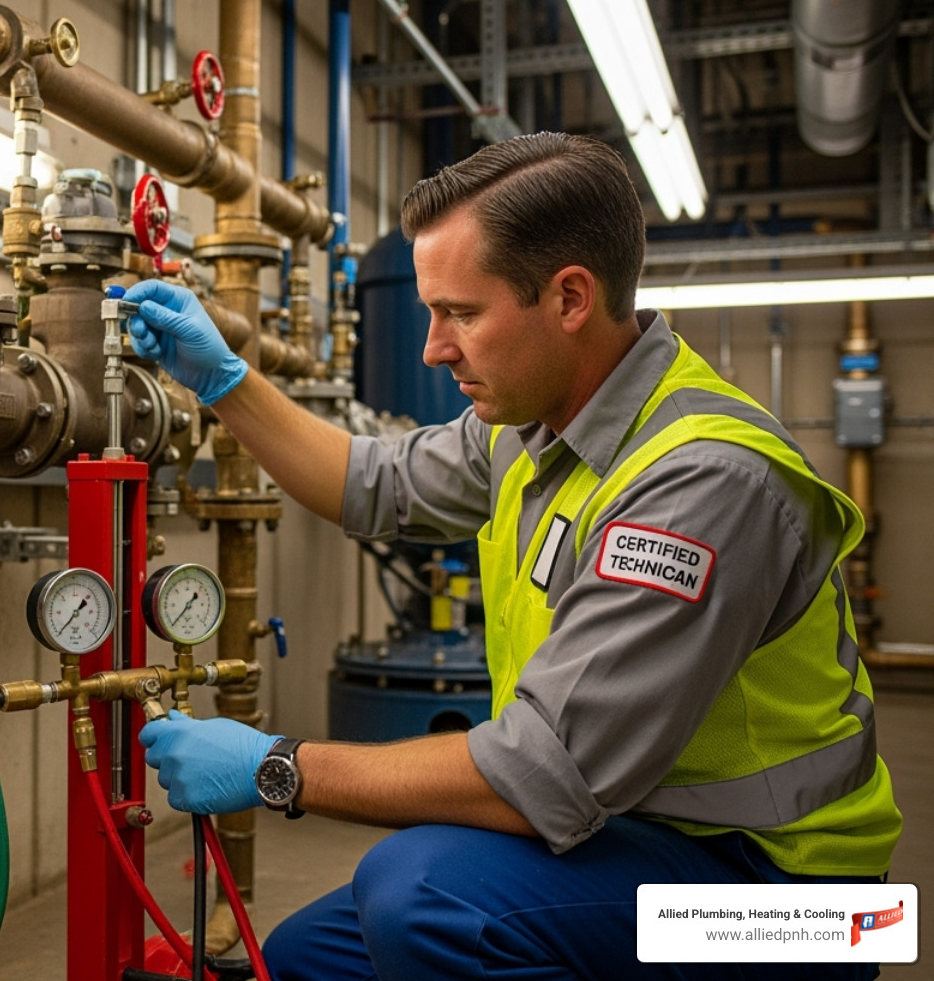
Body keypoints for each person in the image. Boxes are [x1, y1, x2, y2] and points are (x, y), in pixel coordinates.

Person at [125, 133, 901, 980]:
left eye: (459, 313)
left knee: (420, 895)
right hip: (638, 835)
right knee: (312, 958)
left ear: (570, 297)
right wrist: (225, 383)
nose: (433, 347)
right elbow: (369, 482)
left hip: (790, 908)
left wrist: (278, 766)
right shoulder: (533, 429)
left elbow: (540, 774)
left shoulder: (702, 481)